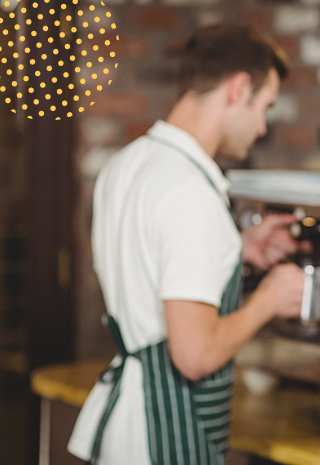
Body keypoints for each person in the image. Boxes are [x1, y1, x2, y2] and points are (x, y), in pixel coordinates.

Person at [67, 24, 307, 465]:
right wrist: (269, 300)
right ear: (237, 89)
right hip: (163, 436)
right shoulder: (190, 193)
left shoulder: (127, 163)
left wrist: (236, 247)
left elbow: (150, 258)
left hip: (128, 424)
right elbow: (194, 356)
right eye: (264, 107)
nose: (261, 127)